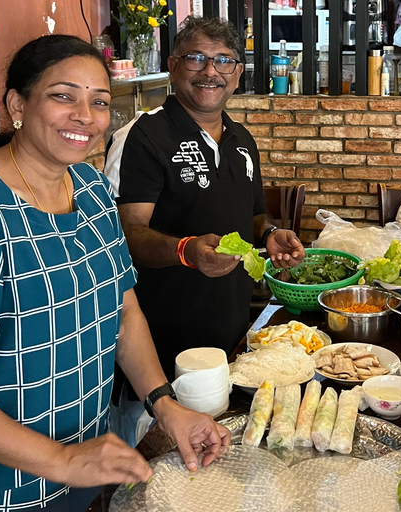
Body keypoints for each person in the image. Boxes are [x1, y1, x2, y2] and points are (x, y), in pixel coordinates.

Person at [0, 35, 230, 512]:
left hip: (89, 461)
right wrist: (60, 459)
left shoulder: (88, 188)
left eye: (99, 101)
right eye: (63, 96)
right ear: (16, 104)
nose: (85, 116)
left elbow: (123, 309)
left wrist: (164, 405)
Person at [103, 16, 305, 429]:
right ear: (174, 65)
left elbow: (249, 215)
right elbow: (124, 235)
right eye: (196, 58)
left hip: (227, 342)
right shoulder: (141, 137)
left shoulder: (241, 140)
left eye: (223, 60)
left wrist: (268, 234)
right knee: (149, 475)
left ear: (237, 74)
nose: (210, 71)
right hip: (156, 355)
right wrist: (185, 251)